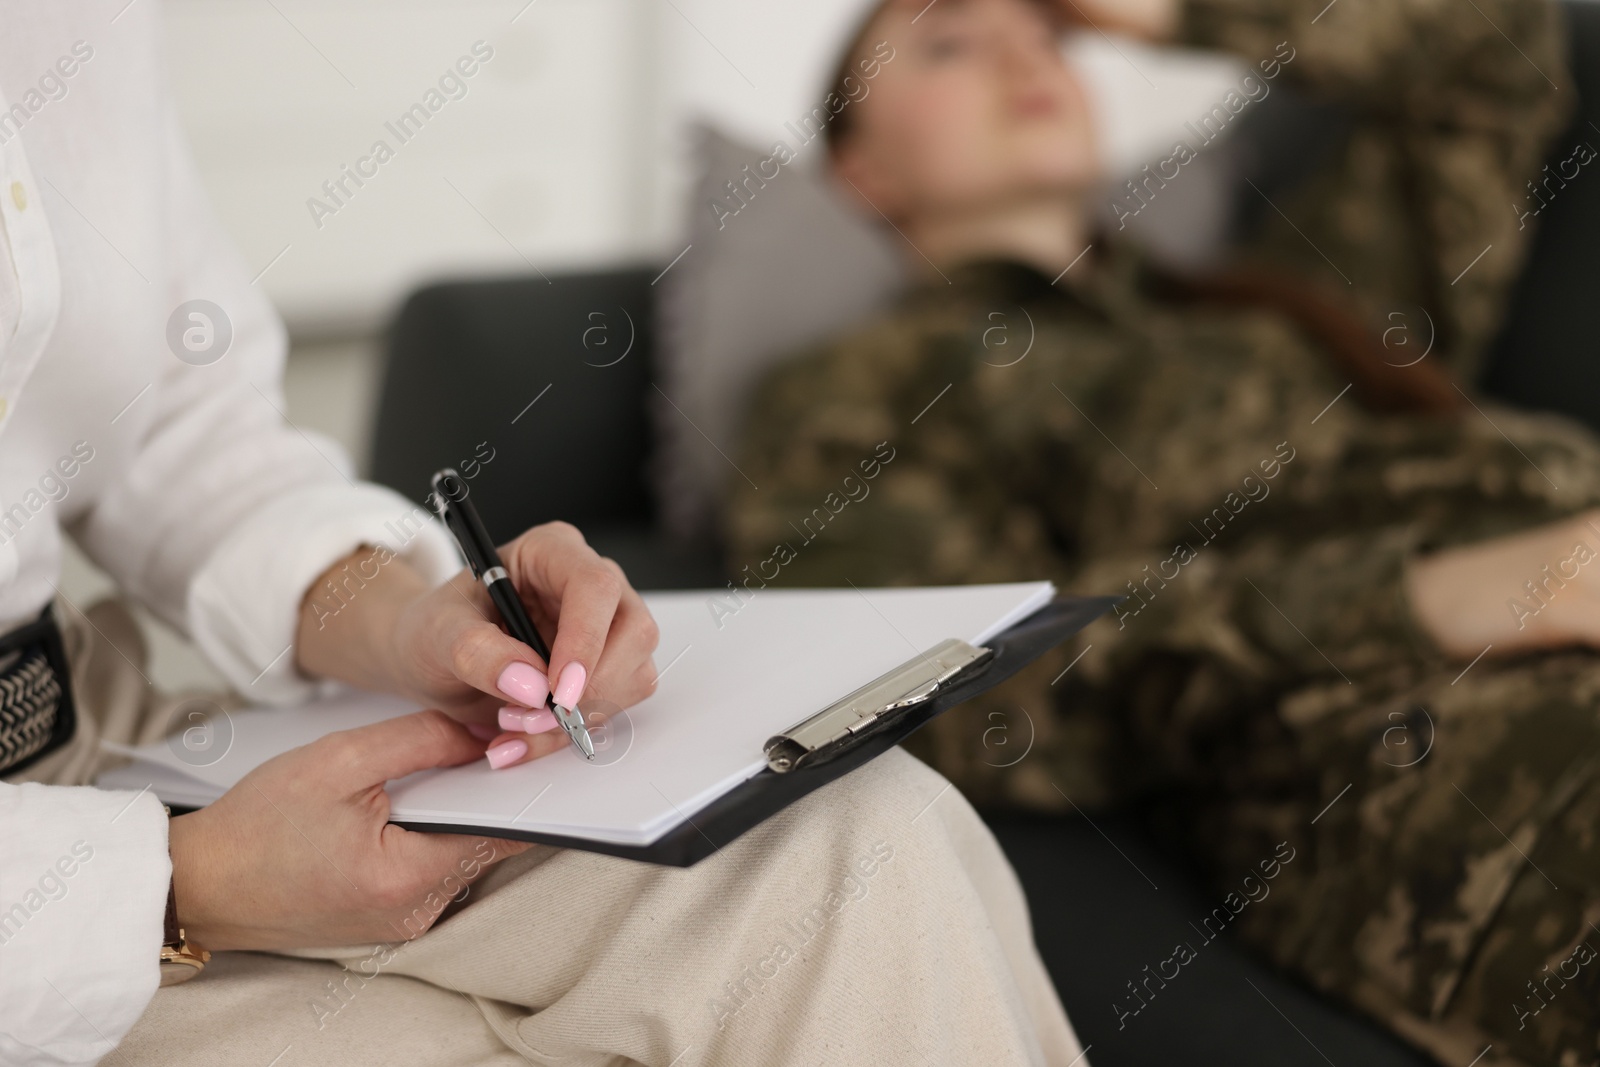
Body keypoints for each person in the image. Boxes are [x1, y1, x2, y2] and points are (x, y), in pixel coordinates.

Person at [0, 6, 1080, 1065]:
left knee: (865, 839)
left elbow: (187, 440)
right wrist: (182, 883)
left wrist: (407, 618)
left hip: (92, 729)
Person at [725, 0, 1600, 1062]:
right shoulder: (861, 388)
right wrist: (1427, 591)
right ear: (862, 171)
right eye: (950, 42)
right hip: (1413, 724)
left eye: (1047, 34)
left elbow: (1496, 46)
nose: (1019, 53)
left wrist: (1171, 10)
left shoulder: (1289, 292)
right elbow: (923, 687)